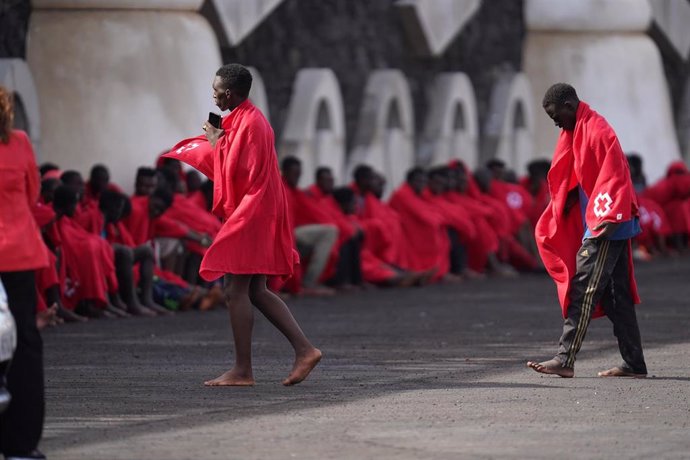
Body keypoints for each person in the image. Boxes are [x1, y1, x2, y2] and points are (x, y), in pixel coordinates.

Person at [164, 63, 321, 386]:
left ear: (230, 93)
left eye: (216, 90)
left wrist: (215, 144)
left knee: (235, 290)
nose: (214, 95)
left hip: (254, 210)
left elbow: (243, 172)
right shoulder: (243, 119)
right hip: (258, 208)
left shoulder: (252, 124)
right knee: (255, 290)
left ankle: (243, 370)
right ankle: (304, 350)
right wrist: (218, 141)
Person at [527, 83, 647, 378]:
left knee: (585, 287)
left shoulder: (596, 130)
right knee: (616, 297)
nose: (555, 122)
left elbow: (617, 173)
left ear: (569, 105)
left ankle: (565, 358)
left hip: (607, 222)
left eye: (556, 115)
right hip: (606, 219)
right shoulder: (577, 129)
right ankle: (634, 363)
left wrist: (608, 216)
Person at [0, 85, 48, 459]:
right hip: (16, 254)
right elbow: (33, 196)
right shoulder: (17, 143)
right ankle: (20, 442)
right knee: (24, 347)